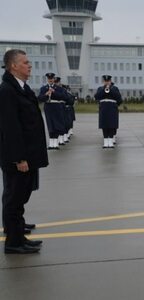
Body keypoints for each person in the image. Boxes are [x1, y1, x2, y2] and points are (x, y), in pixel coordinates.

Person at [0, 49, 48, 254]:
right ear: (13, 66)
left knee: (20, 198)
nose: (29, 65)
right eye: (25, 62)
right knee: (14, 199)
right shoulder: (7, 91)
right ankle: (13, 242)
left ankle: (19, 236)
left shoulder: (22, 88)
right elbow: (10, 128)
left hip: (27, 154)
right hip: (17, 158)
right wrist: (19, 158)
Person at [38, 73, 68, 150]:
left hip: (56, 106)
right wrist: (46, 94)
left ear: (54, 79)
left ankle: (56, 142)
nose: (50, 80)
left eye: (51, 78)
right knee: (50, 124)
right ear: (47, 79)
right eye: (49, 79)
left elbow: (63, 97)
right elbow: (40, 98)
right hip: (48, 106)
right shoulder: (43, 88)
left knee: (56, 124)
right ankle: (51, 143)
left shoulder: (59, 88)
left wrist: (54, 92)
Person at [94, 75, 122, 148]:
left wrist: (110, 89)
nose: (107, 82)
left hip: (112, 108)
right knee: (104, 125)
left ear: (110, 81)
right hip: (103, 109)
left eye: (108, 81)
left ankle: (111, 141)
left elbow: (119, 98)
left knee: (112, 125)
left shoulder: (115, 88)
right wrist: (104, 89)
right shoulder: (100, 88)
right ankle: (105, 142)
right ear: (103, 81)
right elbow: (96, 96)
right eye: (105, 81)